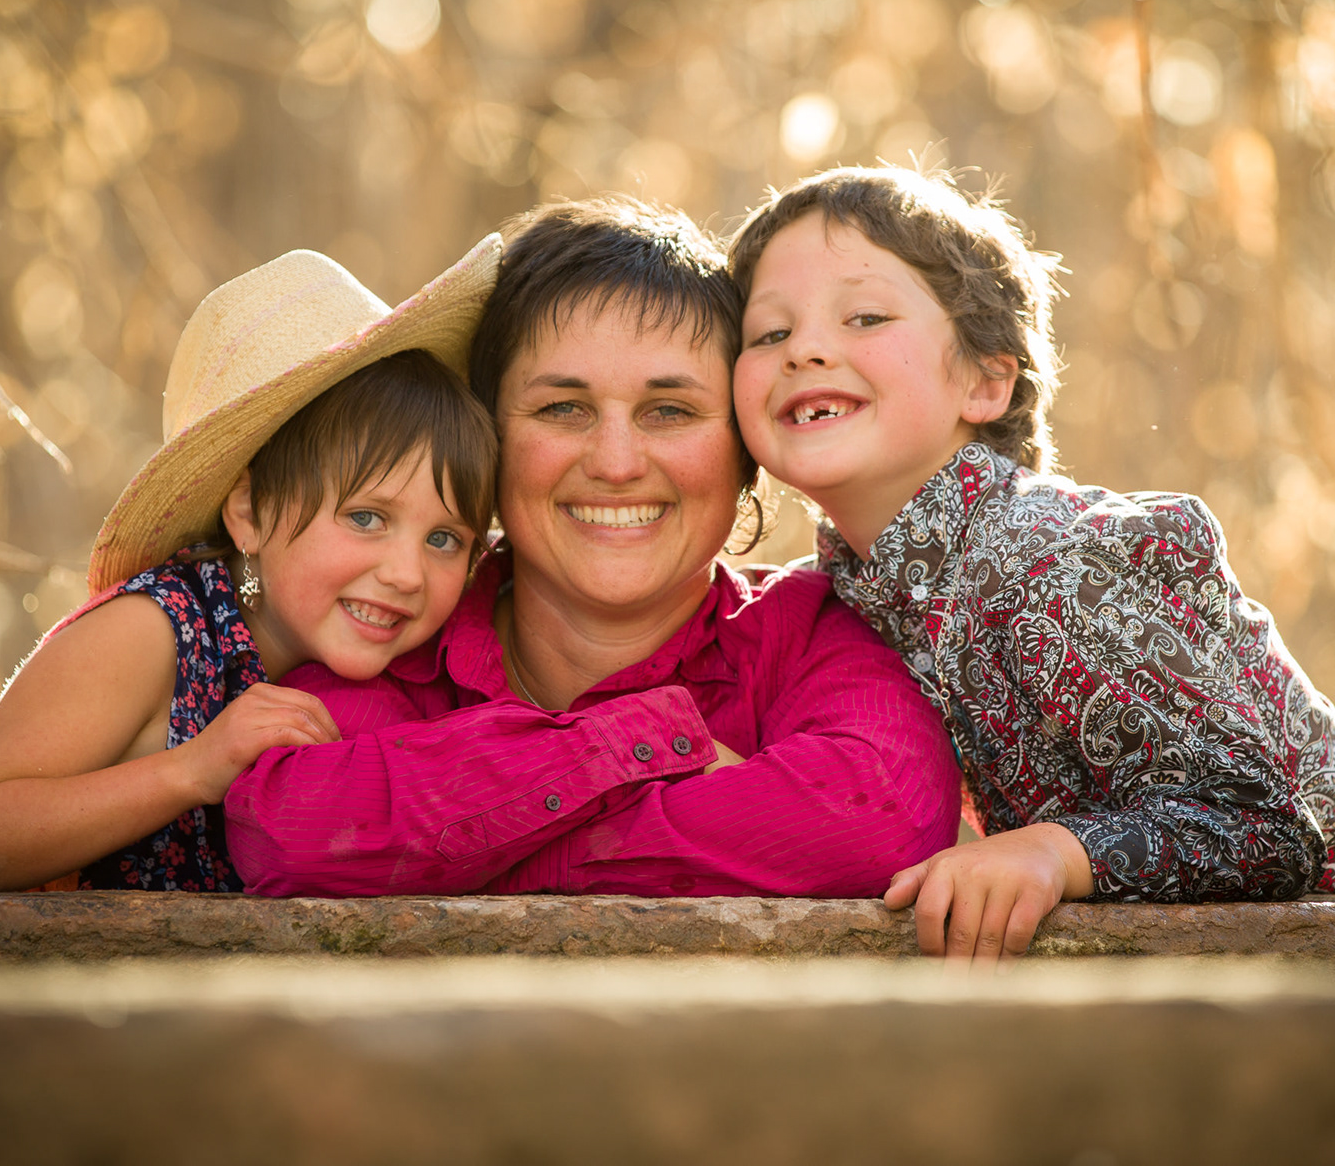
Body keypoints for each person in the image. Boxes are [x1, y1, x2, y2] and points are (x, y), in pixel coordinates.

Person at [729, 165, 1335, 962]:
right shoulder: (846, 597)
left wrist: (1052, 852)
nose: (808, 350)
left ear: (985, 379)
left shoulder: (1059, 558)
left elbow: (1270, 827)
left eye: (864, 316)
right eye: (769, 334)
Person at [223, 199, 960, 897]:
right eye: (562, 408)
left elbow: (882, 819)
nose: (615, 462)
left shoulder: (812, 635)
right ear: (491, 444)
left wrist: (470, 850)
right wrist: (650, 739)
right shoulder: (397, 631)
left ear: (743, 454)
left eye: (668, 410)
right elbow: (289, 830)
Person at [0, 244, 500, 895]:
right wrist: (193, 769)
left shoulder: (389, 670)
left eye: (444, 538)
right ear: (247, 512)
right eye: (366, 518)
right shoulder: (153, 633)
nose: (408, 574)